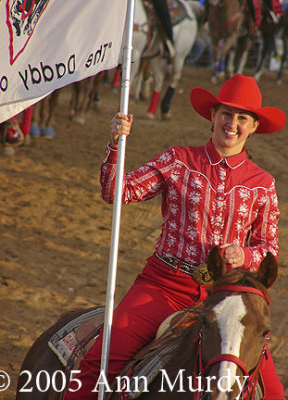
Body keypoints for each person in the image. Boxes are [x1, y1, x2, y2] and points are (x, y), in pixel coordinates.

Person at [63, 74, 286, 400]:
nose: (232, 123)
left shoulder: (262, 183)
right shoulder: (178, 160)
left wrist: (245, 255)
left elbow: (270, 248)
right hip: (163, 286)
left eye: (242, 118)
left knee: (275, 394)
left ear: (253, 127)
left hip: (228, 299)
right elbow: (116, 191)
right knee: (99, 365)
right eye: (226, 113)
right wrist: (115, 144)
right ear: (212, 116)